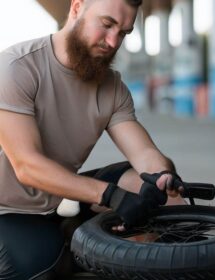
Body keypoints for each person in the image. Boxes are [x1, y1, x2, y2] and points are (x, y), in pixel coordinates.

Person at [0, 0, 185, 279]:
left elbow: (144, 152)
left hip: (57, 200)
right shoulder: (17, 67)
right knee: (39, 267)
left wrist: (162, 176)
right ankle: (71, 239)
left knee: (158, 195)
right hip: (6, 210)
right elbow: (27, 166)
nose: (113, 41)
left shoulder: (112, 87)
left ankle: (72, 231)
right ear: (77, 7)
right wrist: (110, 196)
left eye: (123, 33)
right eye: (107, 24)